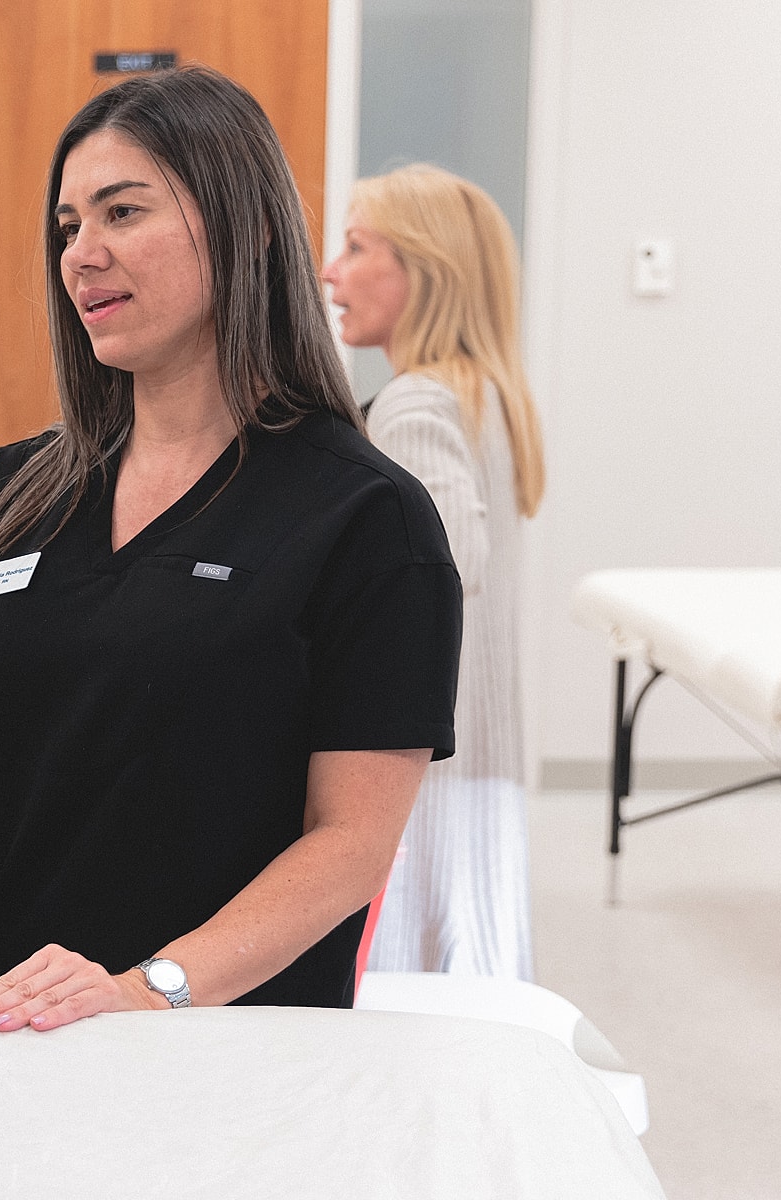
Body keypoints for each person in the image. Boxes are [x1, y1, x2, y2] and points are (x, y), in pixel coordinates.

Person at [0, 66, 463, 1028]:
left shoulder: (365, 519)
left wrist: (148, 989)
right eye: (67, 228)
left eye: (121, 212)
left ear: (248, 225)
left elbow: (348, 843)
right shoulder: (22, 486)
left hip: (222, 1047)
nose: (82, 256)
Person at [322, 163, 547, 980]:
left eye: (355, 247)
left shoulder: (415, 405)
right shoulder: (483, 396)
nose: (329, 271)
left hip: (428, 778)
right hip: (483, 767)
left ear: (425, 270)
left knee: (413, 996)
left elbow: (439, 574)